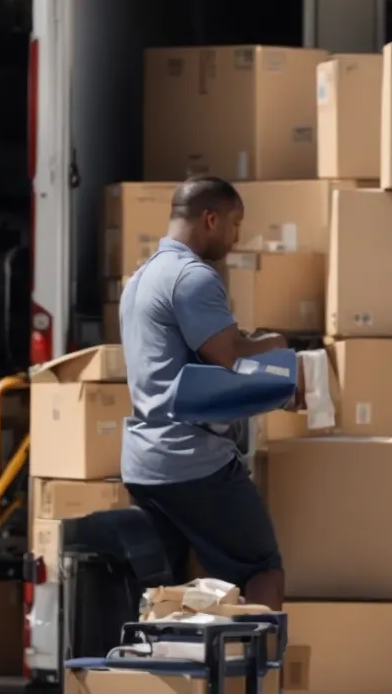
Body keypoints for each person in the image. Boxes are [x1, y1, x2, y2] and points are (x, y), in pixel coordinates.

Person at [119, 175, 289, 608]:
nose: (236, 237)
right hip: (193, 460)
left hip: (144, 463)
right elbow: (231, 356)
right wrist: (278, 345)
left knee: (174, 591)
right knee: (261, 569)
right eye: (235, 224)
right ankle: (258, 654)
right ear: (211, 219)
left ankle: (171, 654)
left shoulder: (140, 279)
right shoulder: (192, 277)